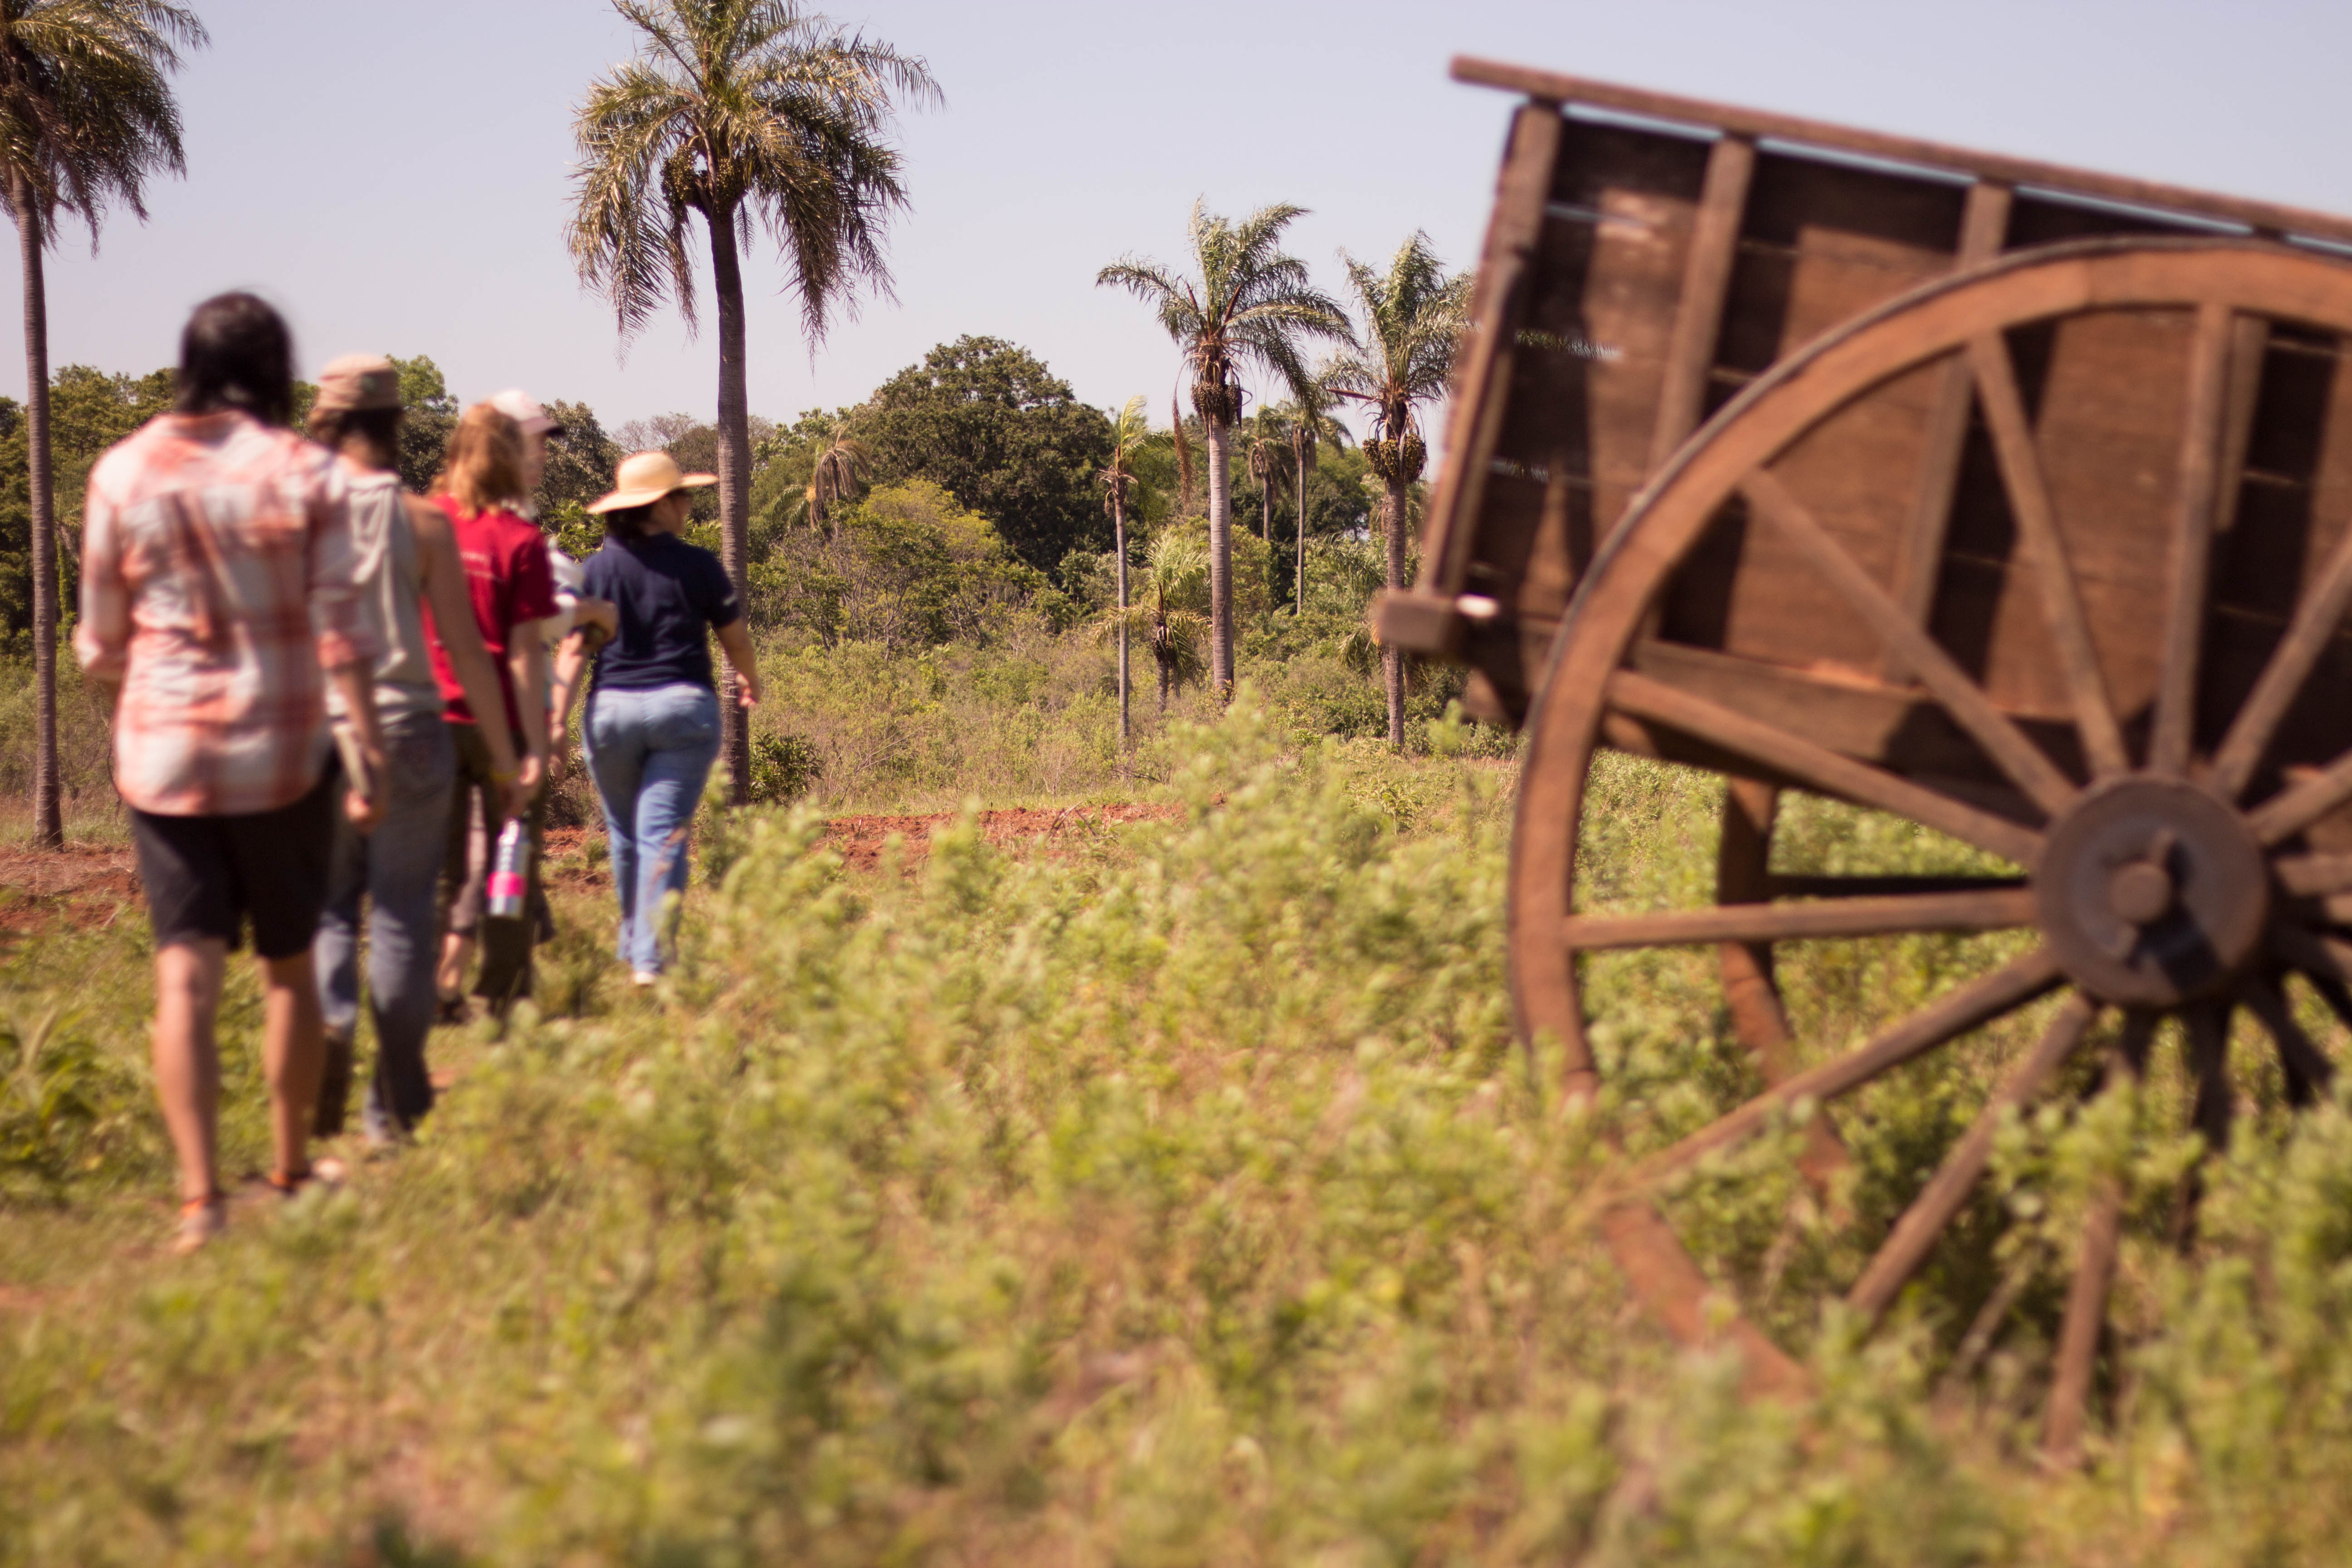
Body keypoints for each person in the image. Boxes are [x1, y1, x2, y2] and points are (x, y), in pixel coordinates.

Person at [75, 294, 385, 1254]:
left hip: (163, 758)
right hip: (283, 751)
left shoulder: (122, 472)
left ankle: (200, 1201)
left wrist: (141, 708)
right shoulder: (306, 473)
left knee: (186, 977)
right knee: (288, 969)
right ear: (278, 371)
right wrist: (365, 750)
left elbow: (99, 647)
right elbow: (342, 632)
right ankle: (290, 1170)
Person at [306, 356, 523, 1145]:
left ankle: (330, 1017)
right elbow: (465, 652)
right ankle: (386, 1115)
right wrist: (503, 759)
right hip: (413, 731)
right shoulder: (424, 520)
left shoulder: (291, 515)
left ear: (321, 427)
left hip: (312, 733)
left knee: (329, 908)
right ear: (397, 429)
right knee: (401, 917)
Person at [554, 451, 762, 984]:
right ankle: (650, 958)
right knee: (662, 834)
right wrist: (747, 676)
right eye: (684, 496)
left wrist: (555, 721)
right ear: (663, 505)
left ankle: (634, 944)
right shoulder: (698, 564)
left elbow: (576, 650)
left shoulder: (596, 570)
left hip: (611, 713)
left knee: (625, 834)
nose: (689, 505)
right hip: (681, 710)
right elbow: (734, 637)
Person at [426, 405, 558, 1018]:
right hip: (498, 721)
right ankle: (504, 991)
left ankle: (436, 989)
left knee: (444, 866)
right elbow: (526, 653)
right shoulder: (520, 540)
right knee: (510, 855)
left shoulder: (425, 526)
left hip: (427, 720)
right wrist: (534, 748)